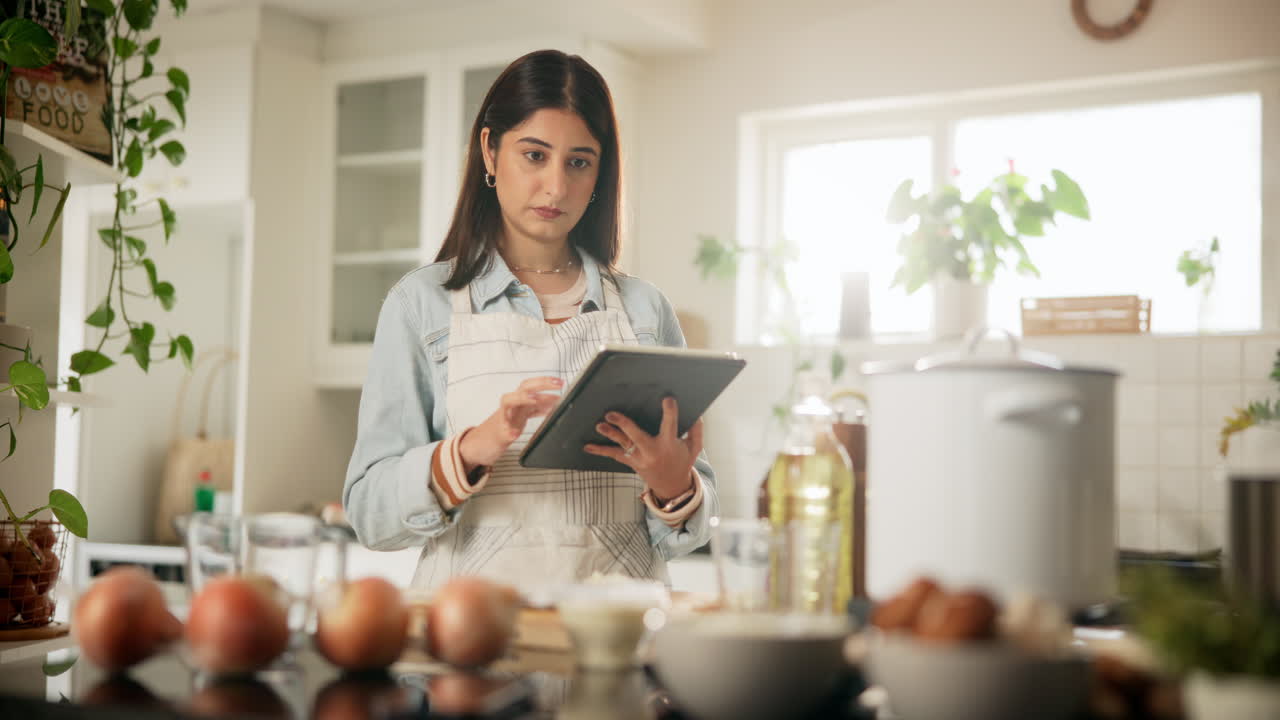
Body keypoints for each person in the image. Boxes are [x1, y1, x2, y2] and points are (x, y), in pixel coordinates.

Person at [343, 49, 717, 593]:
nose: (557, 187)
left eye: (579, 161)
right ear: (490, 153)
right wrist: (471, 449)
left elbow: (691, 528)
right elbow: (368, 512)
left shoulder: (645, 310)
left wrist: (672, 483)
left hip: (614, 649)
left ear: (599, 174)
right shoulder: (420, 304)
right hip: (473, 649)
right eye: (535, 155)